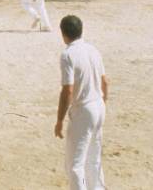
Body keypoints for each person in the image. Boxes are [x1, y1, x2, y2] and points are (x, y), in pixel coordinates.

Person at [54, 15, 108, 190]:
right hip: (99, 104)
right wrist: (102, 103)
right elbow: (105, 82)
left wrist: (60, 119)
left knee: (75, 164)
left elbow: (67, 90)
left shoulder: (68, 55)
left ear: (63, 34)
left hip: (84, 109)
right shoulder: (93, 49)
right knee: (94, 158)